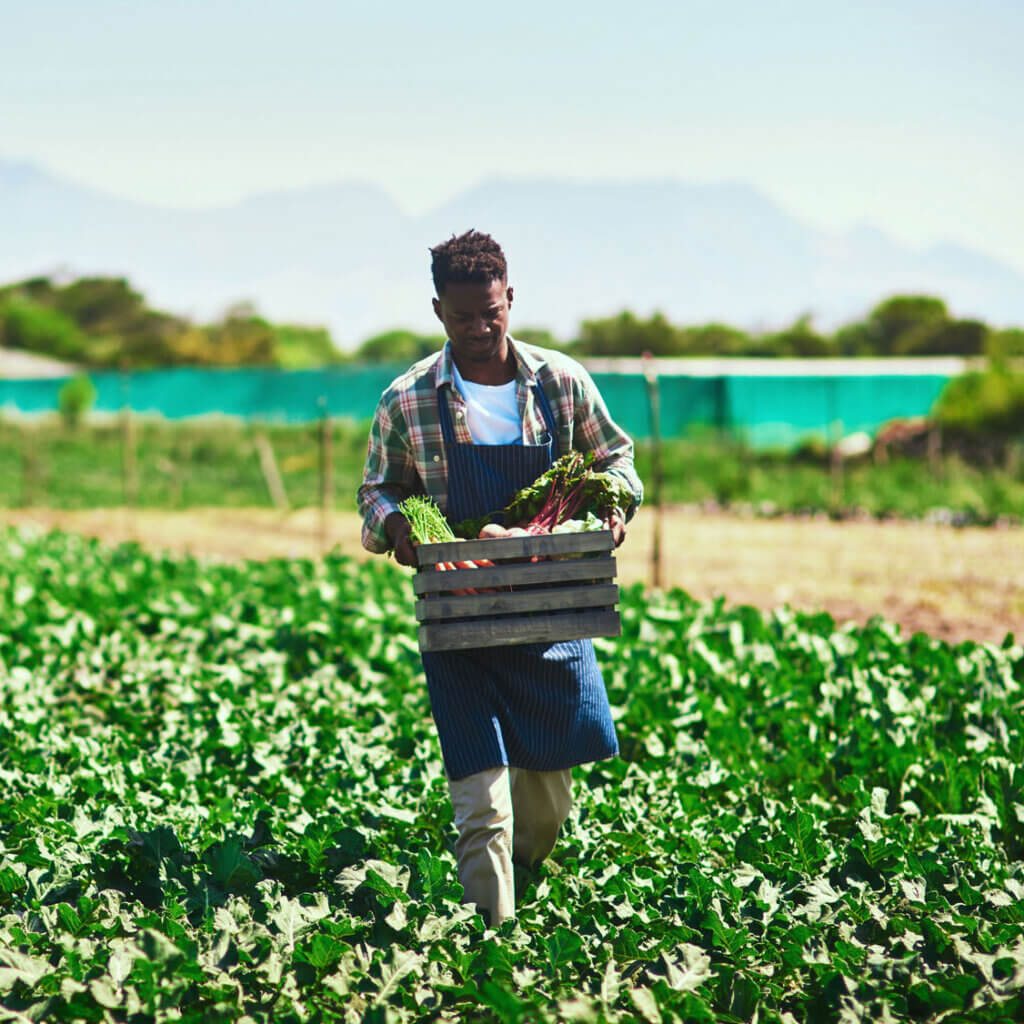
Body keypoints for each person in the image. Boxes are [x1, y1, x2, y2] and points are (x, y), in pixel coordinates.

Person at [357, 229, 643, 926]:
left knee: (545, 807)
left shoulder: (561, 382)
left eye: (492, 312)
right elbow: (377, 491)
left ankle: (528, 876)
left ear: (509, 298)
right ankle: (492, 938)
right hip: (461, 616)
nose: (481, 329)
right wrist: (399, 528)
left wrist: (612, 509)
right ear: (437, 312)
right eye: (463, 318)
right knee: (480, 803)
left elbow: (618, 461)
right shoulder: (408, 399)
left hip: (551, 610)